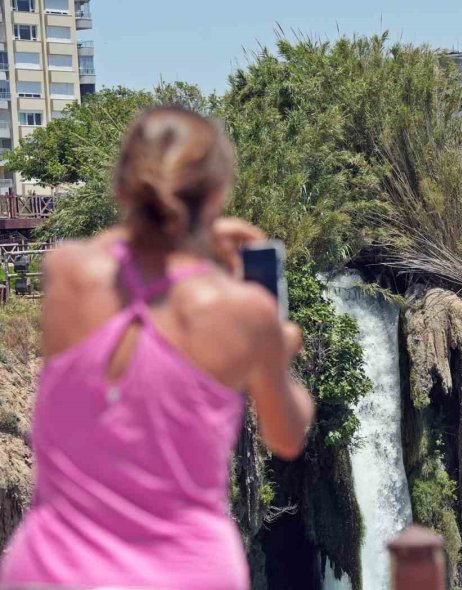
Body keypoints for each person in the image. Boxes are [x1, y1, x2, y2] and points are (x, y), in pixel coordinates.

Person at [0, 106, 314, 589]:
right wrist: (278, 347)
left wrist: (190, 241)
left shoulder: (67, 275)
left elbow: (111, 250)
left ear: (123, 190)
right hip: (184, 572)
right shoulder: (243, 314)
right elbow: (286, 435)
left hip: (52, 572)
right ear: (217, 195)